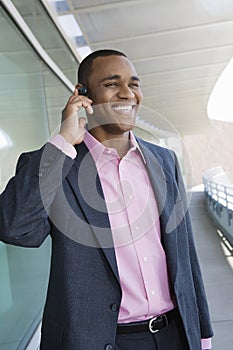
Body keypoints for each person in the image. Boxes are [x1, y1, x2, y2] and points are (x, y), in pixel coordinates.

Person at [0, 49, 213, 350]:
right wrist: (62, 142)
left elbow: (186, 254)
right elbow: (15, 228)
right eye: (112, 84)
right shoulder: (57, 164)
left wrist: (201, 334)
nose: (128, 93)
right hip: (98, 340)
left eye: (134, 84)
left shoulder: (164, 161)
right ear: (83, 96)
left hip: (174, 335)